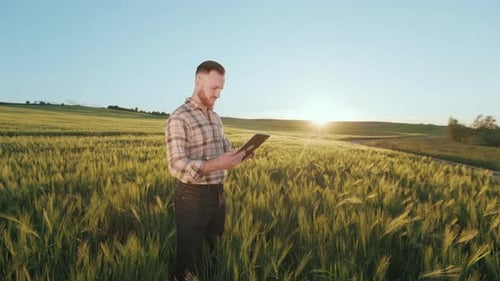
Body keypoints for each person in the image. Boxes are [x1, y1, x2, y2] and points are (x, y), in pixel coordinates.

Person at [165, 60, 248, 280]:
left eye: (221, 88)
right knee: (189, 260)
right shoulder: (179, 117)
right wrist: (217, 164)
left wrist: (240, 154)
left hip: (217, 193)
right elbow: (176, 164)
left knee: (213, 253)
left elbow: (224, 148)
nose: (218, 94)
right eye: (214, 87)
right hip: (192, 195)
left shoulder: (215, 117)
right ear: (198, 81)